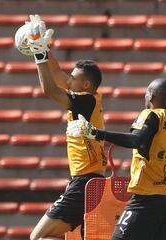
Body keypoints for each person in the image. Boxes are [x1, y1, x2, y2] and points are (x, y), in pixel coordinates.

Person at [66, 78, 166, 240]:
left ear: (151, 96)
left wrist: (96, 133)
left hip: (145, 199)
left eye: (146, 94)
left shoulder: (151, 115)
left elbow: (135, 140)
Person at [25, 15, 107, 240]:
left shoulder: (85, 100)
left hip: (84, 183)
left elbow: (50, 90)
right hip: (89, 181)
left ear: (86, 84)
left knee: (37, 237)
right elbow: (58, 75)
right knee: (58, 237)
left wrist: (39, 54)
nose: (68, 81)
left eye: (73, 78)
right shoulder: (88, 99)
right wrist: (44, 46)